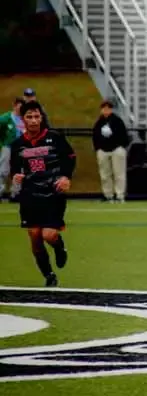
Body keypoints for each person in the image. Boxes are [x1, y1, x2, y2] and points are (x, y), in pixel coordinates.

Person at [9, 101, 76, 287]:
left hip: (53, 193)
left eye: (36, 116)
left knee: (49, 235)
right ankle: (49, 275)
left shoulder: (55, 137)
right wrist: (17, 177)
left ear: (41, 117)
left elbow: (70, 158)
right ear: (23, 120)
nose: (33, 120)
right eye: (29, 117)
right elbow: (15, 168)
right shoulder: (18, 145)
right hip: (30, 195)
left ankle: (59, 247)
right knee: (35, 236)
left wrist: (66, 177)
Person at [92, 100, 130, 203]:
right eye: (104, 108)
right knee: (105, 175)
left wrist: (120, 146)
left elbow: (124, 135)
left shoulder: (117, 121)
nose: (106, 110)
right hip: (103, 150)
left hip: (116, 150)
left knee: (119, 174)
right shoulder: (99, 122)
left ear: (111, 109)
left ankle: (119, 195)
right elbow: (95, 136)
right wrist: (98, 148)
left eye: (108, 108)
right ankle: (108, 195)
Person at [0, 99, 24, 198]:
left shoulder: (25, 118)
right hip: (8, 147)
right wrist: (3, 143)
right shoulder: (5, 118)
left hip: (21, 148)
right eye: (19, 107)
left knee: (19, 170)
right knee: (3, 170)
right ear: (14, 106)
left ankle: (16, 193)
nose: (21, 109)